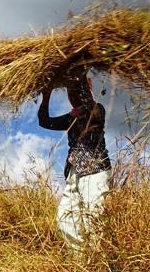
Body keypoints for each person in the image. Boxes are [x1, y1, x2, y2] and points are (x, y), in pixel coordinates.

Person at [38, 73, 112, 253]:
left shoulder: (97, 110)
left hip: (94, 170)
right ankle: (81, 263)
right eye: (70, 93)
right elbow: (44, 122)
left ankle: (97, 266)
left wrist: (79, 75)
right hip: (73, 174)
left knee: (94, 220)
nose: (73, 96)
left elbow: (87, 99)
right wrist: (46, 95)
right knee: (65, 221)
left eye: (77, 91)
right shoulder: (71, 117)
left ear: (88, 89)